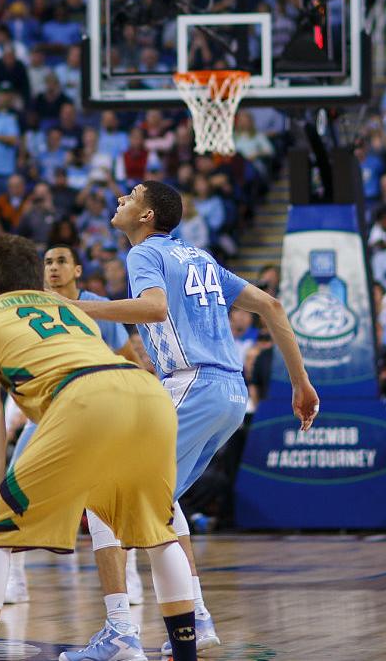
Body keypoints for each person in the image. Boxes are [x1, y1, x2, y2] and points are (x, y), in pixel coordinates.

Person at [75, 181, 319, 661]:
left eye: (132, 195)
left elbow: (153, 307)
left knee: (106, 496)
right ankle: (196, 619)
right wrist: (300, 382)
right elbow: (271, 305)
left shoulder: (144, 253)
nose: (122, 197)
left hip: (192, 384)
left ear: (147, 217)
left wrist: (78, 306)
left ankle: (122, 632)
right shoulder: (199, 257)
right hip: (230, 393)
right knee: (158, 502)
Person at [0, 234, 203, 661]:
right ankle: (184, 651)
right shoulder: (71, 309)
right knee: (158, 532)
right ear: (39, 282)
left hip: (86, 398)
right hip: (147, 394)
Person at [1, 243, 152, 605]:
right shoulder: (32, 307)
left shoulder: (96, 304)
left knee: (112, 497)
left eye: (61, 261)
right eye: (48, 262)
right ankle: (15, 580)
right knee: (15, 489)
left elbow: (128, 358)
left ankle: (129, 575)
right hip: (50, 411)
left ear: (77, 270)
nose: (53, 268)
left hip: (100, 409)